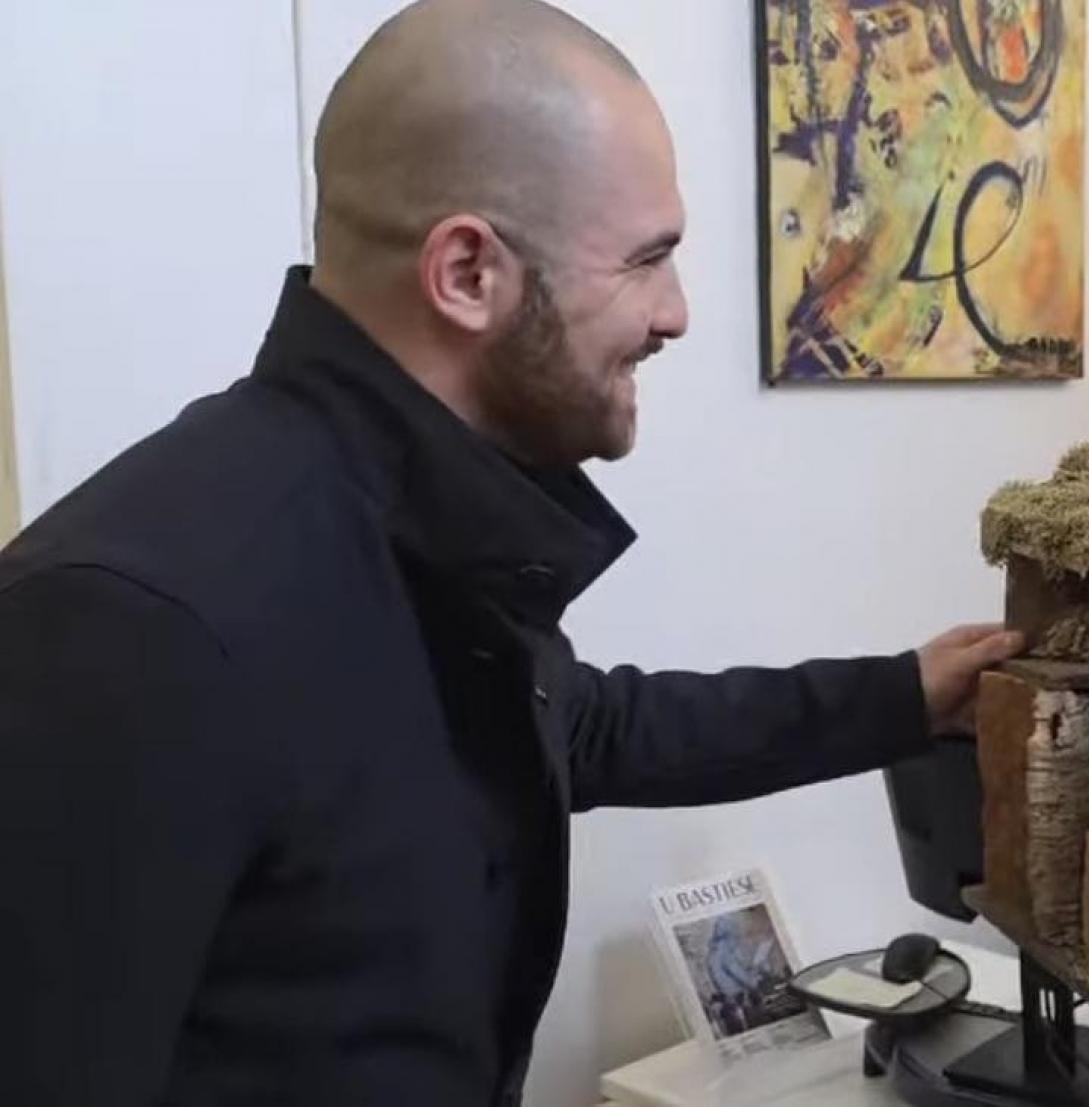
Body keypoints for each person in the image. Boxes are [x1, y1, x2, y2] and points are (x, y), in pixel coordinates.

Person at [0, 2, 1019, 1103]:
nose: (675, 313)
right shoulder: (133, 625)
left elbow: (586, 726)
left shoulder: (414, 532)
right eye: (647, 260)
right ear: (467, 274)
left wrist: (905, 695)